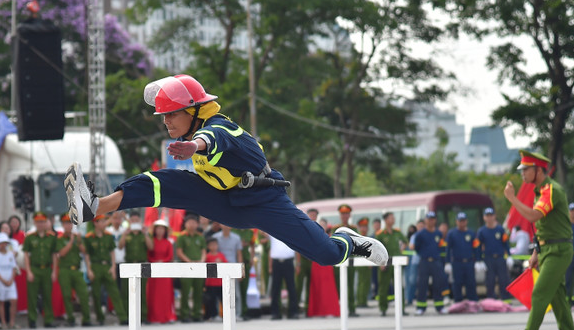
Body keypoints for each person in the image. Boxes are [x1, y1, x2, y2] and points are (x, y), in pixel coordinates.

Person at [62, 74, 388, 280]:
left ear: (194, 111)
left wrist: (194, 146)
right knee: (158, 181)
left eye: (172, 114)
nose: (166, 122)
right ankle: (95, 206)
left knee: (327, 255)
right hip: (220, 197)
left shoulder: (221, 125)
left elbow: (215, 140)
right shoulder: (194, 131)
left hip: (261, 198)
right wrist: (191, 147)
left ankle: (349, 241)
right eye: (163, 117)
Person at [504, 150, 574, 330]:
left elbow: (533, 215)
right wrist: (537, 251)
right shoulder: (540, 191)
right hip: (548, 249)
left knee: (539, 293)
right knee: (557, 298)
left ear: (538, 170)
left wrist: (512, 199)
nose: (522, 174)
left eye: (526, 169)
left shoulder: (551, 190)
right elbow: (541, 225)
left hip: (558, 250)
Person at [85, 215, 128, 326]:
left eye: (105, 221)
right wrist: (89, 270)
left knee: (114, 292)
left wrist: (113, 268)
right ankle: (100, 317)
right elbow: (87, 255)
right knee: (96, 293)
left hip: (107, 266)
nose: (105, 223)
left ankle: (122, 317)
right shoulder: (89, 237)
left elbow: (112, 252)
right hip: (95, 266)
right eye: (102, 221)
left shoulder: (109, 236)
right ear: (96, 223)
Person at [23, 212, 59, 329]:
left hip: (47, 269)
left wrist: (54, 271)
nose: (40, 224)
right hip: (35, 268)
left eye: (42, 221)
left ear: (46, 223)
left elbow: (54, 255)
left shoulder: (52, 237)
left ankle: (48, 319)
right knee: (32, 296)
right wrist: (28, 271)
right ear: (35, 223)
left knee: (47, 295)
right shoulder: (30, 237)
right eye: (38, 222)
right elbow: (26, 255)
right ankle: (32, 320)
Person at [56, 213, 93, 327]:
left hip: (76, 270)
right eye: (66, 223)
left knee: (83, 294)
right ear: (63, 225)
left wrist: (79, 242)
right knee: (67, 295)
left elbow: (85, 252)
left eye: (70, 223)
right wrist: (71, 242)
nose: (68, 226)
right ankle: (70, 319)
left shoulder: (78, 238)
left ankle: (86, 319)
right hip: (64, 270)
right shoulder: (59, 239)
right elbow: (61, 253)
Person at [413, 211, 449, 315]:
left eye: (433, 219)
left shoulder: (438, 233)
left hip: (436, 262)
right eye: (429, 219)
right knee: (422, 285)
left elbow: (441, 247)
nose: (431, 221)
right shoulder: (420, 234)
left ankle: (439, 307)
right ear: (426, 220)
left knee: (438, 284)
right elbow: (417, 248)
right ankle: (421, 307)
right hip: (424, 261)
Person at [375, 212, 409, 316]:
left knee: (399, 286)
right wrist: (380, 263)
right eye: (391, 218)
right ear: (385, 220)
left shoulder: (397, 232)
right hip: (385, 263)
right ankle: (383, 308)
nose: (393, 219)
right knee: (383, 286)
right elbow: (376, 248)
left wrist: (402, 249)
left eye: (393, 217)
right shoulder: (380, 234)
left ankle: (401, 308)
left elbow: (405, 242)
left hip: (397, 264)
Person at [118, 212, 150, 321]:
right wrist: (125, 234)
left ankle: (143, 316)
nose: (135, 222)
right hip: (129, 263)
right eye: (133, 221)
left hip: (142, 264)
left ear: (140, 221)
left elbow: (151, 247)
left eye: (137, 220)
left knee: (142, 292)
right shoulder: (127, 234)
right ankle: (127, 316)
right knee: (127, 291)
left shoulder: (143, 234)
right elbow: (120, 246)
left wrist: (145, 234)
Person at [175, 214, 206, 322]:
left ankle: (197, 314)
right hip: (186, 267)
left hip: (199, 267)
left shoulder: (200, 237)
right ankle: (184, 315)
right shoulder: (182, 236)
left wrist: (201, 261)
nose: (192, 224)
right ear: (185, 224)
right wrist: (190, 262)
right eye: (189, 222)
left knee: (198, 291)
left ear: (197, 224)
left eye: (194, 222)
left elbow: (203, 251)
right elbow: (179, 252)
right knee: (185, 291)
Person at [330, 204, 359, 317]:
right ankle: (339, 309)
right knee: (338, 286)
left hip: (351, 260)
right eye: (342, 214)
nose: (344, 216)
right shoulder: (335, 228)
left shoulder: (354, 229)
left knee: (350, 285)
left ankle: (352, 309)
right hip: (339, 260)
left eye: (346, 214)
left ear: (349, 215)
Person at [476, 207, 511, 300]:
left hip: (500, 257)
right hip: (488, 258)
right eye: (487, 216)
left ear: (494, 216)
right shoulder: (481, 231)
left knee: (503, 279)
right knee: (490, 280)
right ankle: (491, 299)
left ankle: (506, 299)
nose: (489, 218)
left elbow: (505, 244)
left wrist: (509, 256)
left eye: (491, 215)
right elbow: (478, 247)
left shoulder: (500, 229)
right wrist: (479, 260)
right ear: (484, 217)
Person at [445, 212, 480, 303]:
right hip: (457, 262)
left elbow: (476, 247)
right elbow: (448, 248)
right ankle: (458, 301)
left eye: (463, 221)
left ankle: (472, 302)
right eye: (460, 221)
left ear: (466, 221)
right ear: (456, 222)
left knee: (471, 282)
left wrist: (478, 261)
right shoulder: (452, 233)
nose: (462, 223)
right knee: (457, 282)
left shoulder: (471, 233)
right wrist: (447, 262)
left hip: (469, 261)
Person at [147, 219, 176, 323]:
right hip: (154, 271)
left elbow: (170, 256)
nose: (160, 231)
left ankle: (168, 316)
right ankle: (155, 317)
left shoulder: (168, 243)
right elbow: (149, 255)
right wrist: (155, 261)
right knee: (154, 295)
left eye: (162, 229)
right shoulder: (152, 242)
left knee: (166, 295)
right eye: (158, 228)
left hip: (165, 271)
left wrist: (162, 261)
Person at [214, 224, 244, 319]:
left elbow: (239, 254)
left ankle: (237, 314)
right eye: (223, 224)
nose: (226, 226)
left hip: (233, 267)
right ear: (220, 225)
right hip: (220, 268)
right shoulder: (216, 237)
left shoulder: (236, 238)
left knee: (236, 293)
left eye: (227, 224)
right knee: (219, 292)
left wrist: (240, 269)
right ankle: (219, 314)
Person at [0, 232, 19, 329]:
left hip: (10, 281)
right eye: (1, 243)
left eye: (5, 243)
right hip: (0, 281)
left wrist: (11, 279)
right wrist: (3, 280)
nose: (3, 245)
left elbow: (14, 267)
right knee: (1, 302)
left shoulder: (10, 254)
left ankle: (12, 322)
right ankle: (3, 322)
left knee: (13, 301)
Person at [269, 234, 299, 319]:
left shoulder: (289, 231)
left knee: (291, 287)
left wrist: (298, 264)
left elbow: (296, 249)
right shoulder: (272, 231)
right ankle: (275, 313)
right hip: (276, 262)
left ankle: (293, 312)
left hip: (288, 262)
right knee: (275, 288)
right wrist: (270, 266)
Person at [203, 237, 227, 321]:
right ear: (208, 246)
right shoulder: (207, 256)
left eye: (215, 244)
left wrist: (221, 262)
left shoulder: (221, 255)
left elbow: (226, 265)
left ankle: (226, 314)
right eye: (211, 245)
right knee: (212, 300)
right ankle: (214, 315)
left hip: (220, 282)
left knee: (223, 299)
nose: (213, 246)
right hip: (211, 283)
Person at [355, 217, 372, 308]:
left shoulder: (368, 237)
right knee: (361, 282)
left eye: (366, 227)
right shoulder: (359, 237)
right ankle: (360, 301)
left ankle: (364, 300)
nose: (364, 229)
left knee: (366, 282)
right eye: (362, 227)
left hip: (368, 263)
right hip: (361, 262)